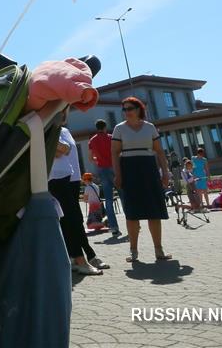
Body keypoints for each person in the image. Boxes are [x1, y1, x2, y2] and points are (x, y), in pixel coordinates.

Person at [112, 97, 171, 263]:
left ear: (139, 109)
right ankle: (133, 251)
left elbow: (159, 151)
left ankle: (159, 250)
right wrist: (118, 174)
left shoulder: (150, 127)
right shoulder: (119, 129)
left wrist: (165, 173)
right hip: (129, 168)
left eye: (129, 108)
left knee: (154, 210)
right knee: (132, 212)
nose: (127, 112)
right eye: (124, 109)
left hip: (149, 168)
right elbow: (115, 153)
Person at [48, 121, 107, 276]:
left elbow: (66, 150)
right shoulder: (46, 125)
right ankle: (82, 259)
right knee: (70, 219)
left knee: (74, 219)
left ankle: (82, 256)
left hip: (71, 178)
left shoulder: (63, 129)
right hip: (55, 178)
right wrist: (63, 147)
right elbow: (60, 150)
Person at [87, 119, 119, 236]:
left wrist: (98, 160)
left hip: (102, 169)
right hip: (115, 168)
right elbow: (118, 152)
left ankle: (114, 227)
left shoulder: (92, 140)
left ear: (97, 128)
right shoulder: (111, 137)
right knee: (123, 194)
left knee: (109, 200)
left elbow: (90, 158)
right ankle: (132, 221)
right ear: (105, 127)